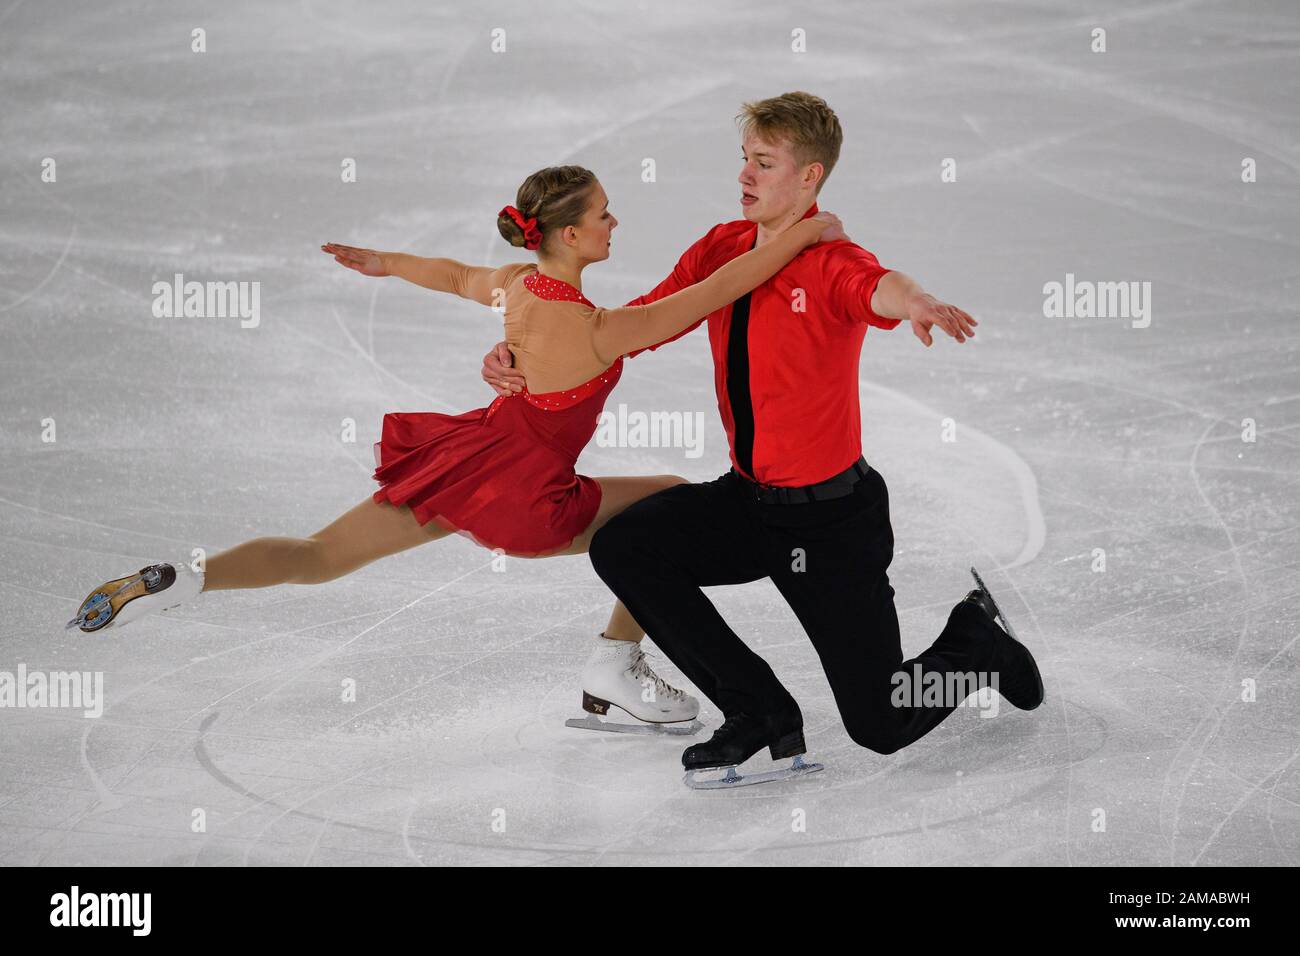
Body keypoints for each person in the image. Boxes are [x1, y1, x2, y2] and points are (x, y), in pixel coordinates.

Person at [66, 165, 846, 731]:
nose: (617, 224)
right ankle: (614, 663)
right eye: (606, 215)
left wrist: (387, 264)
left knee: (317, 554)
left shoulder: (518, 285)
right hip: (532, 497)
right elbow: (716, 291)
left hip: (467, 460)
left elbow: (454, 275)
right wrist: (808, 231)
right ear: (571, 234)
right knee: (672, 508)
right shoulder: (601, 332)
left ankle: (185, 580)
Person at [480, 92, 1043, 780]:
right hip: (749, 505)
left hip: (832, 522)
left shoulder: (832, 261)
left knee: (882, 724)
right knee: (629, 546)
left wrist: (915, 299)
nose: (745, 176)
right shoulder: (722, 247)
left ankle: (976, 644)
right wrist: (528, 356)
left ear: (809, 178)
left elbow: (879, 287)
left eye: (765, 163)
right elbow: (636, 324)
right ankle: (758, 711)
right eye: (745, 159)